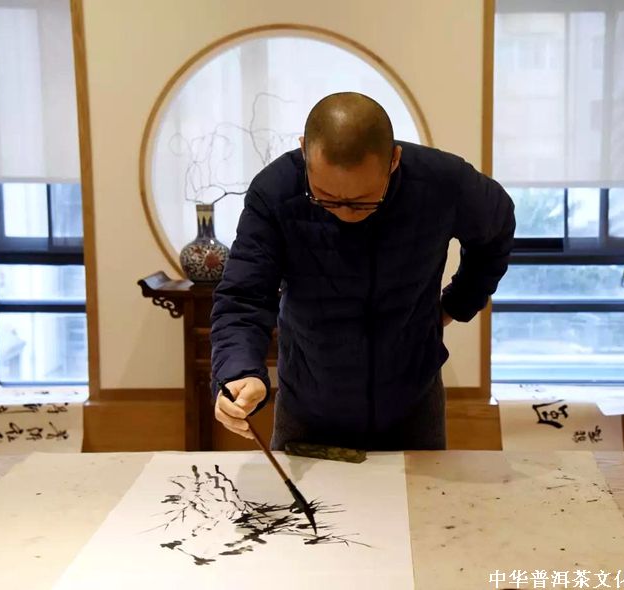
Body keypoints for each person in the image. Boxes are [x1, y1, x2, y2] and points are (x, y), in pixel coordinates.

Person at [210, 91, 515, 451]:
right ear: (304, 150)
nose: (344, 211)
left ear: (394, 160)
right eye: (325, 197)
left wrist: (456, 304)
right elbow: (244, 296)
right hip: (309, 402)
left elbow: (496, 230)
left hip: (411, 403)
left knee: (421, 490)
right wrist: (239, 370)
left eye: (362, 201)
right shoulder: (275, 191)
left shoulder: (442, 183)